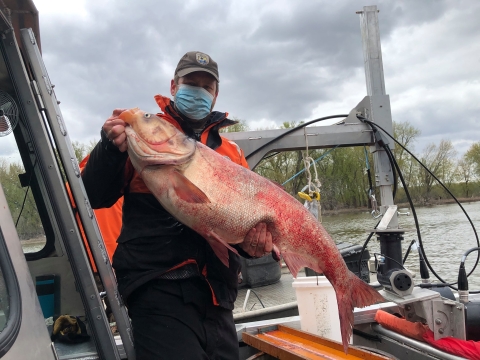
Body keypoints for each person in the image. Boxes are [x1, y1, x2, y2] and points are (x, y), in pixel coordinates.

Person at [81, 51, 274, 359]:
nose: (197, 91)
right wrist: (109, 148)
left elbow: (240, 228)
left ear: (215, 94)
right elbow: (93, 194)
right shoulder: (146, 133)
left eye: (205, 86)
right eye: (189, 82)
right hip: (159, 290)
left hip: (217, 297)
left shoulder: (231, 152)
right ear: (173, 86)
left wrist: (256, 247)